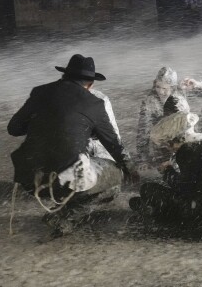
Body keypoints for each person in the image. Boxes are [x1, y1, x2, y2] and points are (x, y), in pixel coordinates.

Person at [7, 54, 138, 236]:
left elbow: (13, 128)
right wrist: (130, 169)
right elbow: (113, 143)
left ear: (64, 76)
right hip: (62, 179)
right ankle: (65, 216)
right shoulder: (94, 103)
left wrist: (46, 123)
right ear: (90, 84)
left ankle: (63, 204)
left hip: (30, 177)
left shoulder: (40, 92)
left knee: (72, 169)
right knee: (114, 179)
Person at [136, 66, 202, 168]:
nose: (160, 92)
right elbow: (143, 131)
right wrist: (143, 159)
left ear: (172, 88)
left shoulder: (180, 91)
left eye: (165, 88)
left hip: (190, 127)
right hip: (169, 139)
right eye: (158, 87)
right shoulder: (150, 102)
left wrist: (197, 85)